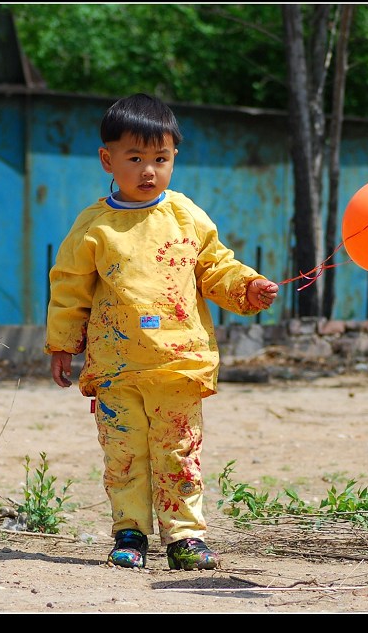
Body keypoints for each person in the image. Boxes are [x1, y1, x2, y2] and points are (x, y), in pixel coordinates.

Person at [44, 93, 279, 571]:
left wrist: (247, 288)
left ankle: (185, 538)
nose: (148, 170)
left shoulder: (185, 215)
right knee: (125, 456)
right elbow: (70, 287)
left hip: (178, 362)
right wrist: (63, 344)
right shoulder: (95, 226)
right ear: (108, 159)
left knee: (178, 450)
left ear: (174, 159)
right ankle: (129, 535)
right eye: (135, 158)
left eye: (160, 159)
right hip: (116, 368)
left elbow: (216, 267)